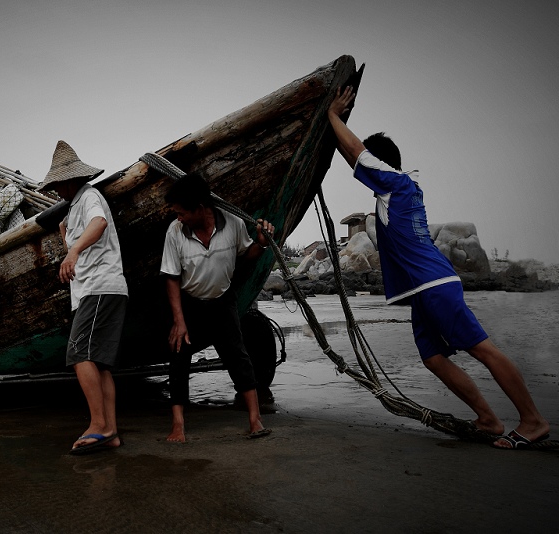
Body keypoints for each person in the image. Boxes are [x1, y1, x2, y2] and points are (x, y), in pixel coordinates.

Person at [328, 86, 550, 450]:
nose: (361, 167)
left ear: (379, 164)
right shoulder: (401, 188)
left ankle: (534, 420)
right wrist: (332, 129)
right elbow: (353, 154)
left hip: (432, 284)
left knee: (483, 350)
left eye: (367, 162)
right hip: (424, 288)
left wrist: (332, 116)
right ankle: (488, 418)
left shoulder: (393, 183)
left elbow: (355, 152)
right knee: (432, 357)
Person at [160, 174, 275, 442]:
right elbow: (172, 278)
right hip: (189, 303)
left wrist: (261, 242)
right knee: (178, 357)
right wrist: (179, 321)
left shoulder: (232, 224)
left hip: (223, 300)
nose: (178, 217)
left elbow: (247, 255)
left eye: (181, 212)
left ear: (200, 208)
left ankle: (255, 420)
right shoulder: (175, 232)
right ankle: (178, 425)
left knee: (238, 356)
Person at [37, 140, 129, 455]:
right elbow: (84, 246)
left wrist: (73, 249)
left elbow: (99, 224)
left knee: (78, 354)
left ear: (68, 180)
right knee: (100, 363)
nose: (56, 191)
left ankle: (99, 425)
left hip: (99, 288)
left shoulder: (89, 197)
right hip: (96, 289)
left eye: (58, 185)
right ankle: (111, 431)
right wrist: (67, 240)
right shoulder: (76, 206)